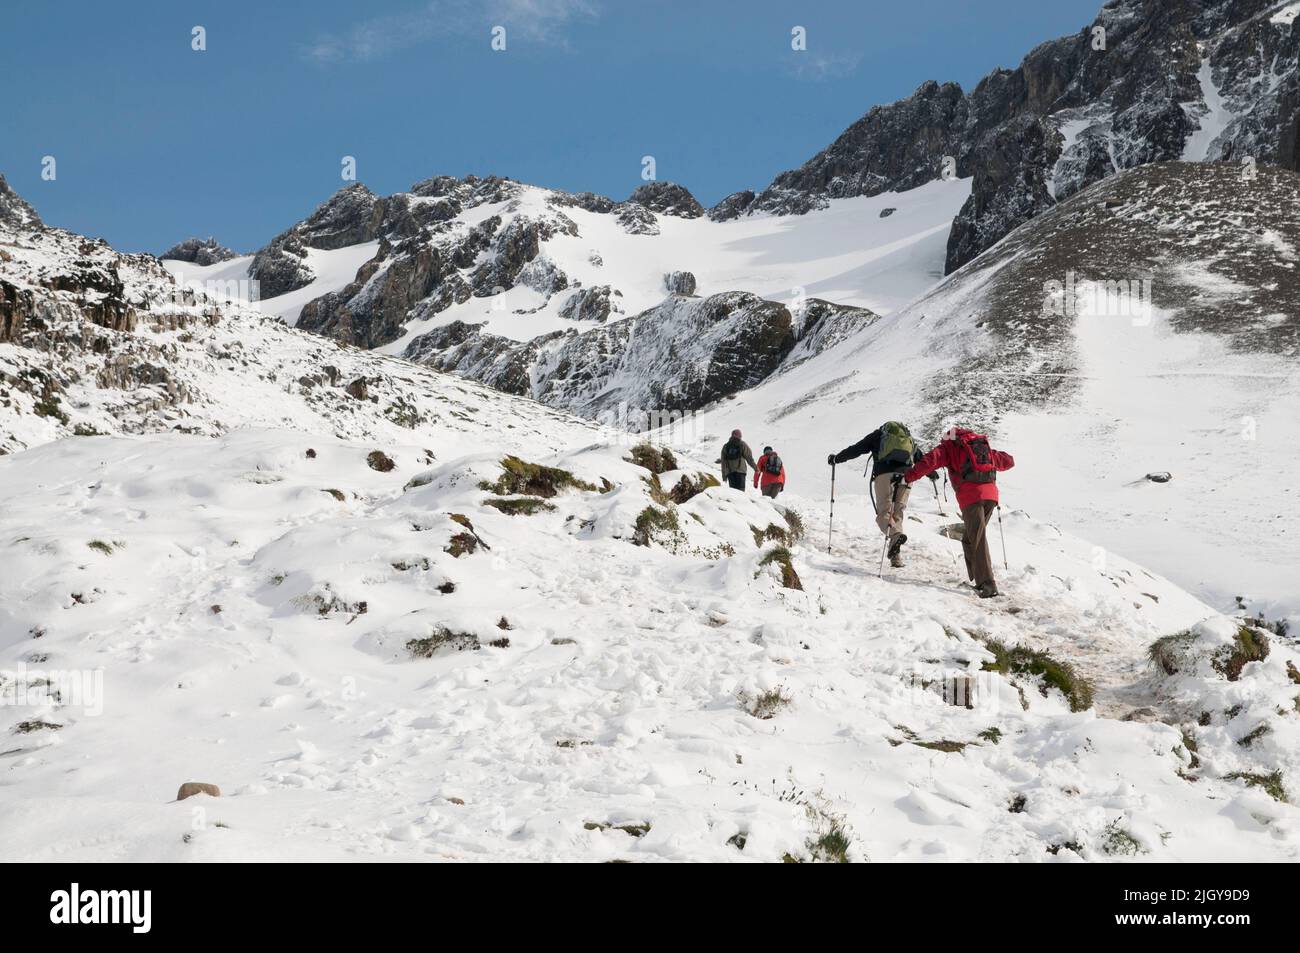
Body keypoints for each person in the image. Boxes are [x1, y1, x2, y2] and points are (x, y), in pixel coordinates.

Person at [904, 427, 1015, 598]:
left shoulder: (949, 447)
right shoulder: (978, 446)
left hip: (971, 497)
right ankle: (977, 580)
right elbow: (1008, 461)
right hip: (991, 496)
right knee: (970, 538)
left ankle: (987, 585)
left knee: (977, 538)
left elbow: (929, 461)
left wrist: (908, 476)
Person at [827, 421, 932, 567]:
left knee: (884, 513)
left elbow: (856, 449)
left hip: (884, 476)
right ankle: (896, 556)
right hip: (906, 476)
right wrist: (932, 473)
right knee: (897, 513)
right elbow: (921, 457)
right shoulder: (908, 438)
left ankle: (895, 536)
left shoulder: (878, 435)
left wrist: (836, 458)